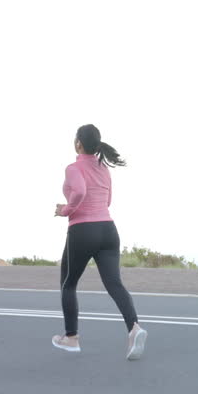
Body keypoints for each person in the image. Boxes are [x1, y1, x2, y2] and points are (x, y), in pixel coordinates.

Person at [51, 124, 148, 360]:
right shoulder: (104, 169)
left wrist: (66, 210)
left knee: (68, 283)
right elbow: (108, 200)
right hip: (108, 230)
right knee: (115, 284)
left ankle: (71, 338)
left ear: (78, 144)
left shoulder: (73, 168)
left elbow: (81, 191)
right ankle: (134, 328)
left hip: (83, 230)